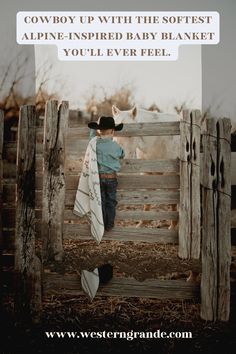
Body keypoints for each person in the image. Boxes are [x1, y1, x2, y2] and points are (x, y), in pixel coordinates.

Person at [88, 116, 125, 231]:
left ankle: (101, 223)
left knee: (101, 201)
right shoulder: (116, 146)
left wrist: (95, 128)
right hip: (111, 178)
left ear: (99, 131)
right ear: (112, 131)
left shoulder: (95, 144)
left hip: (98, 178)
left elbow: (91, 137)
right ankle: (109, 224)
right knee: (111, 201)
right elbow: (122, 154)